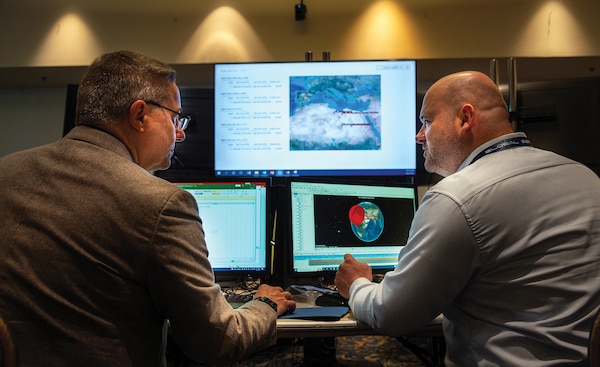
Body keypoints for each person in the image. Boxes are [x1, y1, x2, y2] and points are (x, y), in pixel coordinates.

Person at [0, 50, 295, 367]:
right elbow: (218, 341)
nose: (180, 132)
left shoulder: (6, 172)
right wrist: (264, 302)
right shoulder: (160, 201)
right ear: (139, 115)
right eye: (174, 117)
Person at [335, 71, 600, 366]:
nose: (418, 136)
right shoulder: (584, 176)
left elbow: (392, 315)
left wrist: (357, 284)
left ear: (465, 119)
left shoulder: (457, 197)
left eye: (427, 121)